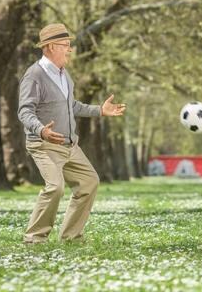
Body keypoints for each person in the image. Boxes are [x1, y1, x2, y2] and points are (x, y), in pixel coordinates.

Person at [18, 23, 126, 243]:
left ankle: (70, 237)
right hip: (44, 145)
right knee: (55, 187)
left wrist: (100, 111)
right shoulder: (34, 75)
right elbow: (24, 111)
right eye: (65, 45)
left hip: (69, 145)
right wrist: (41, 131)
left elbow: (72, 106)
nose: (70, 49)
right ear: (49, 47)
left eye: (70, 45)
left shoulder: (64, 74)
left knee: (89, 182)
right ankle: (35, 238)